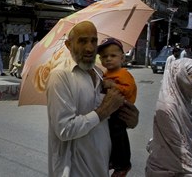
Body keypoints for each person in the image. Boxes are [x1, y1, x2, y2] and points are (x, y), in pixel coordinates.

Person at [46, 21, 138, 177]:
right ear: (69, 45)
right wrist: (103, 111)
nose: (89, 48)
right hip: (74, 171)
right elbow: (64, 130)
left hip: (100, 168)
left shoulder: (100, 74)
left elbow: (105, 122)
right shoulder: (60, 76)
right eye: (82, 41)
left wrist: (131, 120)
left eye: (93, 41)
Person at [145, 58, 192, 176]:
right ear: (181, 77)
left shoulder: (182, 101)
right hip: (165, 169)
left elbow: (186, 126)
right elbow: (177, 147)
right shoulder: (167, 108)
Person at [98, 37, 137, 177]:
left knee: (118, 135)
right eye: (104, 57)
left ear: (122, 58)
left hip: (121, 109)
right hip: (112, 109)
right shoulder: (105, 74)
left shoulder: (123, 74)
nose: (108, 59)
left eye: (113, 56)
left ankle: (123, 164)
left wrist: (113, 85)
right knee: (111, 136)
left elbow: (129, 90)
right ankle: (114, 161)